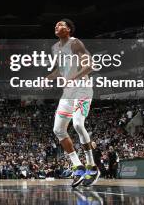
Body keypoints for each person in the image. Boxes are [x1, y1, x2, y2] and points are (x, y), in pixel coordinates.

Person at [46, 19, 99, 187]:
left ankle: (92, 165)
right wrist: (48, 77)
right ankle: (78, 166)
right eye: (55, 25)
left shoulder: (75, 43)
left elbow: (89, 66)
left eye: (61, 24)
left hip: (82, 88)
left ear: (68, 29)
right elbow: (61, 69)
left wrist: (73, 78)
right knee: (58, 129)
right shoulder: (55, 48)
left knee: (77, 124)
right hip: (68, 92)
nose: (57, 26)